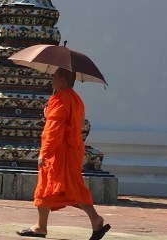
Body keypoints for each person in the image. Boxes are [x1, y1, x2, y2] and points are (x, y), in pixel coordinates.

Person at [18, 67, 110, 240]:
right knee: (59, 187)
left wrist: (45, 153)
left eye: (54, 76)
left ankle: (95, 219)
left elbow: (54, 130)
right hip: (72, 149)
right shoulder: (75, 99)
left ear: (62, 80)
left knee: (65, 187)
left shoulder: (60, 100)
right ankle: (41, 226)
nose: (51, 79)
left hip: (59, 152)